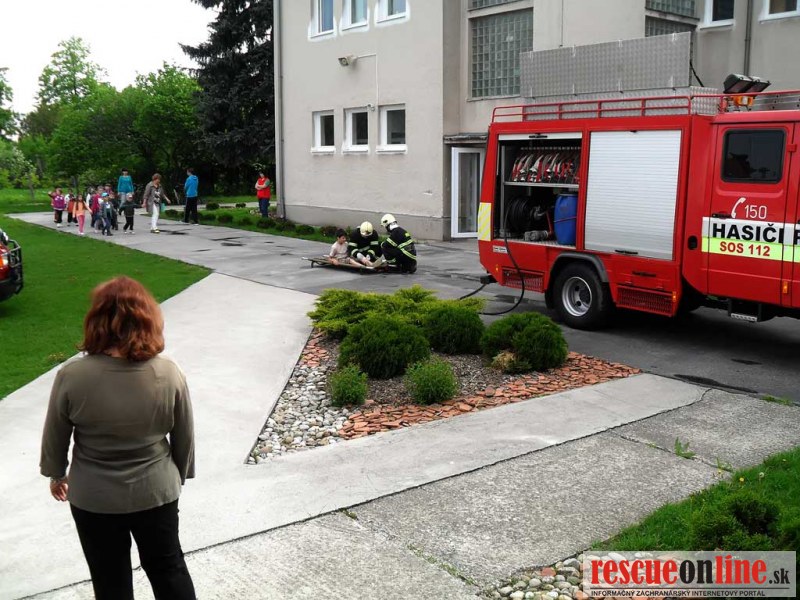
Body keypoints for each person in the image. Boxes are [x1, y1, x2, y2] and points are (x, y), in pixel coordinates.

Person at [40, 276, 196, 600]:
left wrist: (56, 474)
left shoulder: (72, 376)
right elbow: (185, 433)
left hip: (94, 497)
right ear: (148, 318)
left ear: (96, 319)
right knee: (168, 569)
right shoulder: (168, 372)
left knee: (109, 578)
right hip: (156, 491)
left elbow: (55, 434)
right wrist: (177, 476)